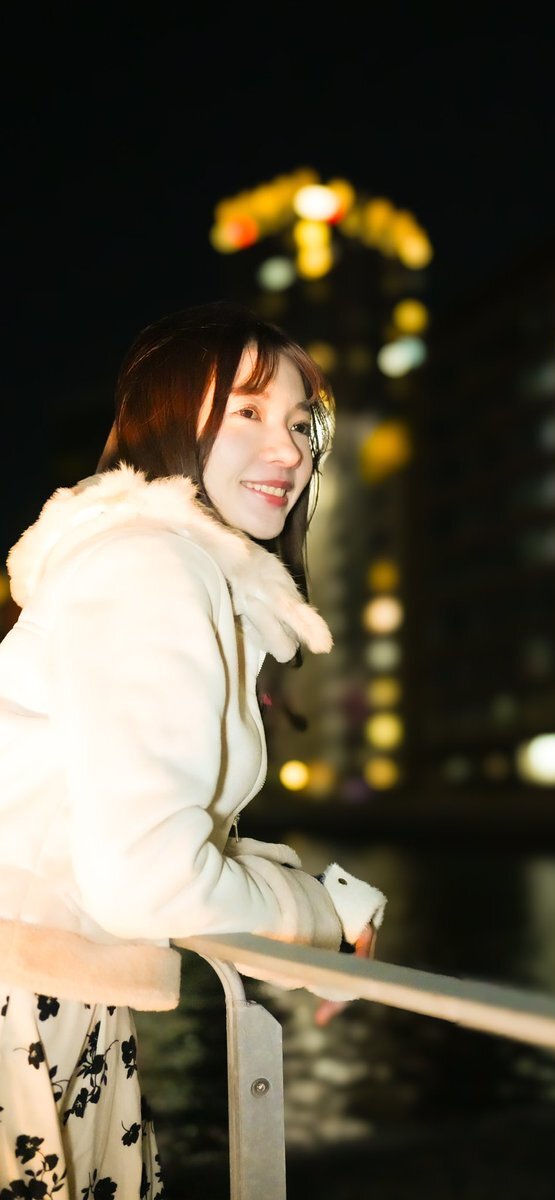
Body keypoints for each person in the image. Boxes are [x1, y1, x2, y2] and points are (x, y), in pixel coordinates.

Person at [0, 301, 387, 1198]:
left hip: (46, 988)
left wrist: (322, 904)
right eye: (248, 410)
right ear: (171, 421)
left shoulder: (157, 567)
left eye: (301, 423)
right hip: (24, 1011)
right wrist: (313, 919)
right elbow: (148, 878)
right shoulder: (152, 569)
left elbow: (127, 836)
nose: (289, 450)